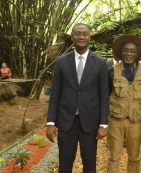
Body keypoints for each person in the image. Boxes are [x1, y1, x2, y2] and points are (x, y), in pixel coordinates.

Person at [46, 23, 109, 173]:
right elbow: (55, 93)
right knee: (65, 165)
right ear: (72, 37)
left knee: (90, 166)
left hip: (90, 123)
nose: (81, 37)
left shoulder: (100, 63)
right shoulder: (61, 61)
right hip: (67, 121)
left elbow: (104, 96)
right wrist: (50, 122)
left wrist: (103, 124)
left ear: (89, 37)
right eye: (77, 33)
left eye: (85, 34)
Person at [107, 35, 141, 173]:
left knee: (134, 157)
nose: (129, 54)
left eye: (132, 51)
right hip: (115, 120)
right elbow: (105, 95)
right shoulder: (112, 71)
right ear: (120, 52)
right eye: (125, 50)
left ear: (137, 54)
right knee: (114, 156)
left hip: (136, 121)